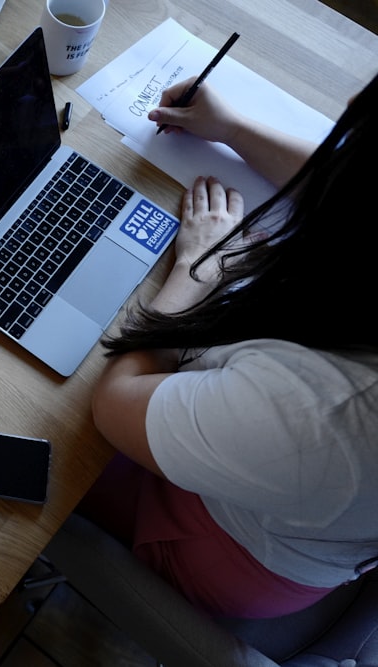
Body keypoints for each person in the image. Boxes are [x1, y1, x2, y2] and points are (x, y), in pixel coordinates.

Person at [81, 73, 378, 619]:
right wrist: (232, 129)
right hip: (304, 504)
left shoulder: (328, 413)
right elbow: (355, 187)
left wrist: (202, 265)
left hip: (224, 548)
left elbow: (114, 401)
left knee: (43, 435)